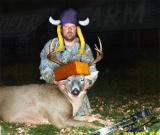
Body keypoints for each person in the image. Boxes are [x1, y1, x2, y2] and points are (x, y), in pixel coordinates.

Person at [39, 8, 99, 116]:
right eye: (66, 27)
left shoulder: (84, 48)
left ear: (77, 29)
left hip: (77, 92)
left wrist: (88, 82)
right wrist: (56, 81)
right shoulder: (51, 46)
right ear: (61, 29)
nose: (69, 30)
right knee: (56, 116)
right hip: (54, 91)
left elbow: (92, 69)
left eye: (72, 27)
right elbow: (44, 68)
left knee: (81, 116)